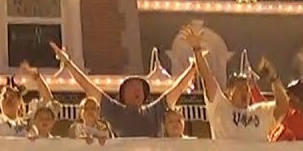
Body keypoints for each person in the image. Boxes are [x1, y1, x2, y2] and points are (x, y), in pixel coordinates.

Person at [49, 41, 196, 138]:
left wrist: (196, 65)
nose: (137, 91)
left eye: (139, 88)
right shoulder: (114, 110)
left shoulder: (156, 110)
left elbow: (179, 87)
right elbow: (87, 85)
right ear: (123, 94)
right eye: (132, 88)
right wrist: (67, 63)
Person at [182, 26, 288, 141]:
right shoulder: (220, 107)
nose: (245, 91)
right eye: (241, 88)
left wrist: (274, 79)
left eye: (247, 89)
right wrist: (197, 50)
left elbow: (283, 106)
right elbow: (207, 77)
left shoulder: (261, 112)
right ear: (230, 92)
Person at [0, 48, 53, 137]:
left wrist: (36, 77)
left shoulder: (27, 123)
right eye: (4, 96)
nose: (8, 99)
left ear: (19, 101)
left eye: (12, 96)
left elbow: (48, 101)